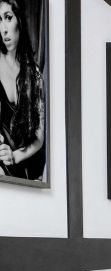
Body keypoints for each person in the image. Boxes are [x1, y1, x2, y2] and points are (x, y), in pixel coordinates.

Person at [0, 0, 45, 180]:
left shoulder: (34, 73)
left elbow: (39, 138)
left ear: (19, 20)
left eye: (8, 18)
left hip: (30, 165)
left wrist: (15, 156)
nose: (3, 29)